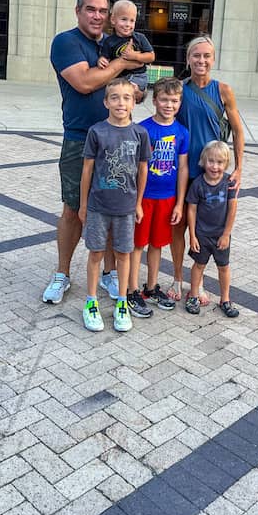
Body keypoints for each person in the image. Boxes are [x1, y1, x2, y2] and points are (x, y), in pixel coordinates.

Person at [44, 0, 143, 304]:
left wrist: (128, 79)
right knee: (73, 209)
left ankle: (110, 273)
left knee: (115, 208)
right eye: (91, 9)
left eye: (103, 10)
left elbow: (136, 90)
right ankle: (62, 274)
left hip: (117, 138)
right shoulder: (66, 42)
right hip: (80, 138)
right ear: (78, 11)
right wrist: (122, 65)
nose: (97, 16)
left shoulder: (114, 43)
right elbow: (85, 82)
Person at [169, 35, 245, 304]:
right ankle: (178, 279)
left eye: (206, 56)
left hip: (213, 171)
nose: (201, 60)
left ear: (213, 59)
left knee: (206, 229)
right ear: (188, 59)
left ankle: (197, 285)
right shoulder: (179, 89)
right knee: (179, 228)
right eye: (196, 55)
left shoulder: (223, 90)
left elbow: (237, 130)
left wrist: (238, 168)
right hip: (184, 170)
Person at [78, 78, 150, 332]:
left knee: (123, 254)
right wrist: (83, 204)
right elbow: (87, 170)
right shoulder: (97, 132)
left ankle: (121, 301)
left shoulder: (140, 134)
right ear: (106, 101)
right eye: (115, 97)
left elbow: (143, 171)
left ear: (134, 102)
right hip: (98, 206)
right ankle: (91, 301)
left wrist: (139, 203)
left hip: (126, 208)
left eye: (126, 98)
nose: (121, 102)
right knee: (96, 253)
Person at [127, 77, 189, 318]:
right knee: (137, 244)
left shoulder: (181, 132)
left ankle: (150, 287)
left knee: (157, 244)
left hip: (168, 198)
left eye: (174, 101)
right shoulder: (143, 129)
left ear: (180, 103)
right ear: (154, 100)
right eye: (164, 100)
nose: (169, 105)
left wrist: (180, 203)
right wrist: (135, 201)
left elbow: (182, 168)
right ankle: (131, 289)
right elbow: (134, 167)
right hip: (144, 198)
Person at [185, 141, 239, 318]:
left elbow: (232, 209)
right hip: (201, 235)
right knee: (199, 265)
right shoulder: (198, 184)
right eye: (211, 161)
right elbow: (191, 210)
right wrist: (192, 235)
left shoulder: (229, 182)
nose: (215, 166)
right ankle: (193, 296)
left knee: (223, 267)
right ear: (203, 161)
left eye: (220, 162)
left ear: (226, 163)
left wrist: (226, 234)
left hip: (220, 236)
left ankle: (225, 299)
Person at [98, 0, 155, 103]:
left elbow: (151, 56)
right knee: (116, 95)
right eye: (124, 19)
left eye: (132, 20)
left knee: (126, 94)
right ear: (113, 20)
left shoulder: (139, 38)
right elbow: (105, 57)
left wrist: (135, 56)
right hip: (119, 77)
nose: (128, 24)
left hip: (138, 76)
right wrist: (101, 60)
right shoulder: (109, 41)